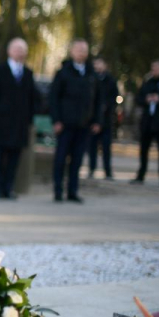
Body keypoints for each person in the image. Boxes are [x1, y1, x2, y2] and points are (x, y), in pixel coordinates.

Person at [49, 39, 102, 203]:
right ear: (72, 52)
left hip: (84, 124)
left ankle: (72, 191)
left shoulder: (92, 74)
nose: (81, 52)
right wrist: (56, 120)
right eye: (78, 49)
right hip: (65, 124)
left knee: (77, 159)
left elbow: (99, 100)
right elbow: (54, 98)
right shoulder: (63, 72)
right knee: (60, 158)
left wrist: (97, 121)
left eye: (84, 50)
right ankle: (58, 190)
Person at [0, 38, 37, 199]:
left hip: (20, 123)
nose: (19, 52)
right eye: (16, 49)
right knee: (0, 157)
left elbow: (32, 98)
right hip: (1, 121)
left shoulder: (28, 73)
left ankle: (9, 188)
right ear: (9, 51)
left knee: (15, 158)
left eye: (22, 49)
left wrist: (30, 119)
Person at [88, 57, 120, 180]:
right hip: (93, 119)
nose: (97, 66)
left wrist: (109, 107)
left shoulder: (111, 80)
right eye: (95, 64)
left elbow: (116, 98)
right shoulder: (91, 78)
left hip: (107, 119)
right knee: (92, 146)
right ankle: (92, 169)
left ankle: (108, 171)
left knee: (106, 147)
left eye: (99, 63)